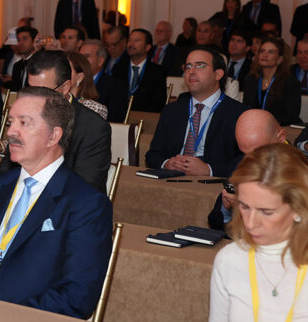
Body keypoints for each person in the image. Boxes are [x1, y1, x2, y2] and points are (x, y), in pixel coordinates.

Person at [0, 87, 113, 318]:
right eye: (10, 122)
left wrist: (4, 317)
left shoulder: (86, 205)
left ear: (54, 136)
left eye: (24, 123)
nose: (11, 132)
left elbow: (77, 296)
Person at [205, 143, 308, 322]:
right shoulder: (230, 258)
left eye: (266, 212)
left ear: (299, 209)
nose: (250, 223)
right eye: (244, 207)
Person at [0, 50, 111, 194]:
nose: (35, 97)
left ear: (65, 87)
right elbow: (6, 169)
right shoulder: (25, 116)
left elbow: (84, 189)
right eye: (31, 88)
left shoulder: (93, 127)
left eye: (43, 90)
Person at [145, 46, 246, 176]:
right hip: (172, 178)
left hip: (213, 183)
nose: (191, 71)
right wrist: (166, 163)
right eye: (188, 67)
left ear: (218, 74)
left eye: (200, 66)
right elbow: (152, 154)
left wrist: (209, 170)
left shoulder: (239, 113)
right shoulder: (172, 110)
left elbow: (247, 161)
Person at [208, 109, 289, 230]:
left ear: (281, 137)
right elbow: (215, 223)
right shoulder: (238, 164)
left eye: (258, 152)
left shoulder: (306, 171)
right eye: (244, 152)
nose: (251, 161)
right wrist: (227, 209)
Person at [242, 37, 301, 126]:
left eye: (271, 52)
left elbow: (291, 116)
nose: (265, 55)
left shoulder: (290, 83)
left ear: (280, 59)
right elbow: (246, 108)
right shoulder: (251, 80)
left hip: (278, 127)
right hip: (253, 126)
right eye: (262, 51)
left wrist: (266, 123)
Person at [111, 28, 168, 113]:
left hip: (145, 117)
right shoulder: (118, 69)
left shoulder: (157, 72)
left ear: (148, 47)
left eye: (136, 40)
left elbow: (158, 103)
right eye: (129, 40)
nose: (131, 44)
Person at [67, 50, 107, 120]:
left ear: (79, 77)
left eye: (67, 70)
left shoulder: (94, 108)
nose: (61, 74)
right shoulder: (52, 102)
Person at [5, 26, 37, 90]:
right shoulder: (17, 65)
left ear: (34, 41)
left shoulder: (39, 64)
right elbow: (14, 89)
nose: (20, 43)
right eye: (19, 40)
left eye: (24, 39)